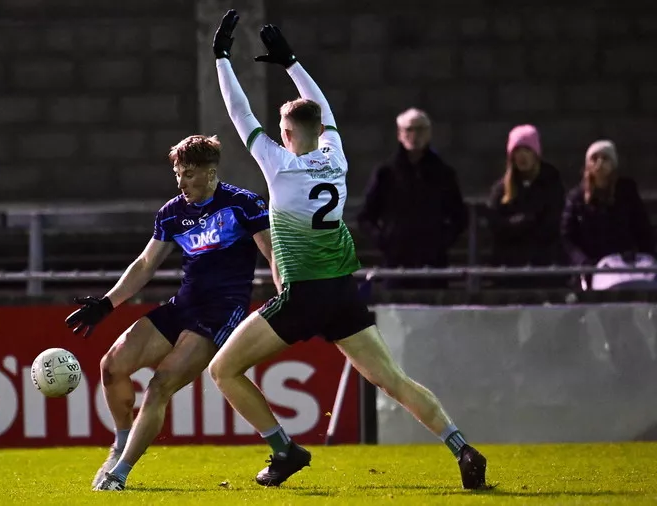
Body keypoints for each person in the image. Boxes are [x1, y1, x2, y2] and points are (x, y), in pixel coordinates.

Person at [209, 10, 488, 490]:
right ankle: (461, 446)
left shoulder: (279, 164)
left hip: (303, 297)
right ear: (321, 131)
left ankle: (284, 449)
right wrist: (292, 62)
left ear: (289, 136)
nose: (279, 136)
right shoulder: (336, 155)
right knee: (393, 380)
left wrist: (221, 58)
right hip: (342, 292)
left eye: (283, 131)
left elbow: (240, 114)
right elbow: (322, 106)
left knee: (223, 370)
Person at [65, 135, 275, 491]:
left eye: (189, 174)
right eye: (178, 174)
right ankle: (119, 445)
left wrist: (287, 289)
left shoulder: (244, 204)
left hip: (220, 313)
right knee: (111, 366)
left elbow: (273, 253)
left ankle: (120, 475)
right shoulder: (172, 212)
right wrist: (107, 303)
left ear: (211, 173)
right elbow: (147, 263)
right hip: (184, 306)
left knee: (159, 386)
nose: (181, 182)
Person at [358, 108, 467, 289]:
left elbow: (460, 216)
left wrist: (441, 242)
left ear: (429, 133)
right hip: (396, 263)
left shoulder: (443, 173)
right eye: (409, 130)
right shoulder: (386, 173)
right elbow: (365, 216)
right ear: (400, 134)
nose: (414, 135)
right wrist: (385, 240)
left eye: (420, 129)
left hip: (433, 264)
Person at [561, 140, 655, 289]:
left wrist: (648, 258)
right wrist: (583, 263)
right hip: (591, 269)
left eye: (605, 158)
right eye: (594, 158)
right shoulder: (576, 198)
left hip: (624, 267)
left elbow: (642, 228)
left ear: (614, 164)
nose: (599, 163)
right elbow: (567, 237)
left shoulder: (626, 192)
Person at [486, 124, 566, 288]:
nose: (522, 156)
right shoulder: (501, 189)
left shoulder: (551, 184)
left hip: (544, 266)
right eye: (517, 151)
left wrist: (517, 226)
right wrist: (524, 221)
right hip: (509, 268)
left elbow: (552, 225)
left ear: (536, 153)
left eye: (527, 150)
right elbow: (495, 225)